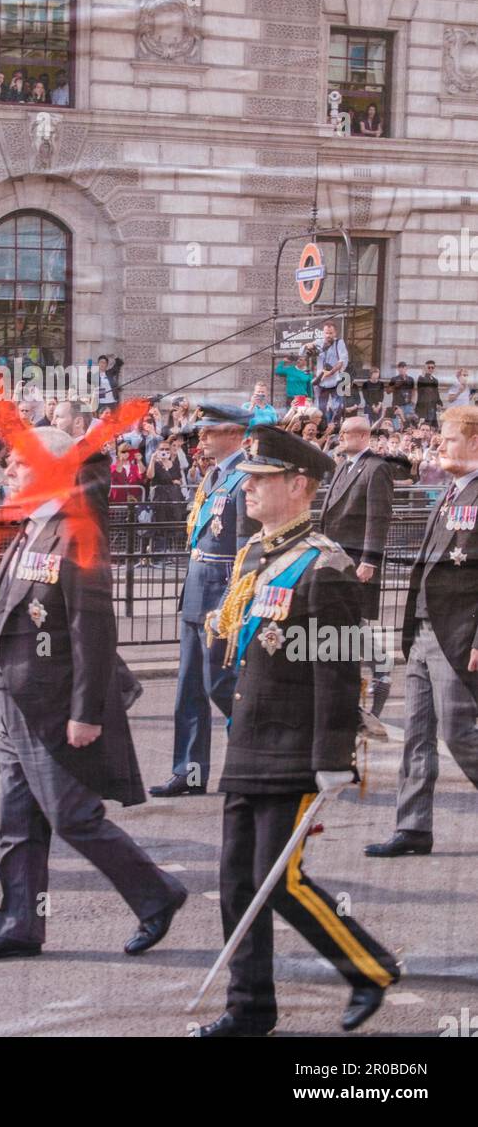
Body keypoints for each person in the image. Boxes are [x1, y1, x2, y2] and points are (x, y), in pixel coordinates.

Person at [0, 426, 187, 963]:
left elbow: (92, 628)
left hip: (54, 703)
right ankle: (19, 926)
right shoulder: (32, 525)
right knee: (18, 825)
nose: (8, 471)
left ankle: (156, 894)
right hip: (13, 696)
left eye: (19, 463)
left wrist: (86, 712)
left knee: (72, 816)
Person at [198, 424, 400, 1037]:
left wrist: (333, 758)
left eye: (261, 480)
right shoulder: (256, 555)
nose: (247, 489)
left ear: (299, 485)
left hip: (295, 743)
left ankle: (369, 968)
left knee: (276, 879)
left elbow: (338, 672)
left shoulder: (324, 566)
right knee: (238, 883)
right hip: (249, 736)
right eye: (247, 479)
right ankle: (250, 1008)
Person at [366, 405, 478, 859]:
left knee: (459, 732)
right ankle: (413, 827)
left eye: (448, 438)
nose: (438, 445)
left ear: (474, 441)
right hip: (426, 631)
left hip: (460, 633)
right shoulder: (453, 493)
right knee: (416, 732)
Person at [149, 406, 256, 799]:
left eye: (209, 431)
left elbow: (247, 547)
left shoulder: (246, 477)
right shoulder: (213, 476)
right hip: (197, 589)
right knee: (190, 689)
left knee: (221, 685)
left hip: (221, 595)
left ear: (234, 433)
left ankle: (261, 748)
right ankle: (189, 772)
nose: (201, 438)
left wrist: (236, 601)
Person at [319, 416, 396, 736]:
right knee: (347, 629)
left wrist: (370, 560)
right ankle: (359, 693)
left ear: (362, 436)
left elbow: (378, 518)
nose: (340, 437)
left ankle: (380, 682)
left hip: (357, 563)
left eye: (345, 433)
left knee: (358, 627)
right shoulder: (343, 465)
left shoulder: (376, 468)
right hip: (336, 560)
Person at [312, 323, 349, 420]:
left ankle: (335, 426)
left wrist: (331, 372)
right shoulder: (318, 343)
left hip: (335, 380)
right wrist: (309, 345)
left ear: (335, 333)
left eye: (330, 333)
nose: (328, 335)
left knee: (338, 407)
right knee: (320, 407)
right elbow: (303, 352)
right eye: (326, 333)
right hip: (321, 381)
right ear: (323, 333)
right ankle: (321, 427)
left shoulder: (339, 343)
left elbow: (342, 360)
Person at [415, 360, 442, 427]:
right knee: (423, 426)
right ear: (425, 368)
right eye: (429, 367)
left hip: (432, 407)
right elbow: (421, 388)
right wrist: (424, 373)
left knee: (433, 427)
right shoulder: (421, 378)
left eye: (432, 367)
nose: (430, 369)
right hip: (424, 408)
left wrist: (439, 402)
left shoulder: (435, 380)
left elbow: (436, 392)